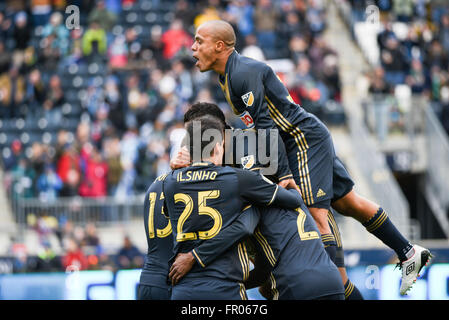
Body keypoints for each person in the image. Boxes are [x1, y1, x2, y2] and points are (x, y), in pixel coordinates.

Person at [190, 20, 432, 296]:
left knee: (316, 216)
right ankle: (408, 251)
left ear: (219, 46)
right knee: (348, 203)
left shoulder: (241, 73)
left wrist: (283, 174)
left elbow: (266, 127)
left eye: (199, 41)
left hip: (301, 139)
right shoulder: (229, 76)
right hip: (304, 136)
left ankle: (332, 287)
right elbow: (261, 129)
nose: (193, 47)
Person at [168, 105, 345, 300]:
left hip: (294, 285)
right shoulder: (258, 185)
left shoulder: (240, 185)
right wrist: (290, 182)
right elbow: (262, 270)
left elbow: (243, 227)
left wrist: (198, 259)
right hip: (331, 280)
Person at [138, 169, 261, 300]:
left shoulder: (156, 185)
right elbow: (241, 229)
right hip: (175, 277)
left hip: (149, 277)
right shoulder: (202, 189)